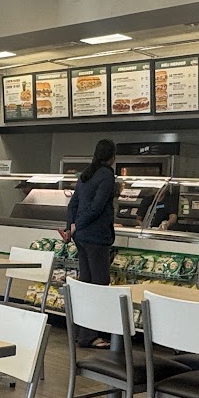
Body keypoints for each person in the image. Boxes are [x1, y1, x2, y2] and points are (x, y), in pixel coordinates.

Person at [62, 139, 119, 348]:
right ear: (112, 157)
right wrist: (78, 224)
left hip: (81, 237)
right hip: (97, 236)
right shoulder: (106, 175)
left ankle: (82, 332)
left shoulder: (86, 174)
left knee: (85, 284)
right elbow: (97, 207)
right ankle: (90, 335)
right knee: (99, 286)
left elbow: (73, 203)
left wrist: (71, 227)